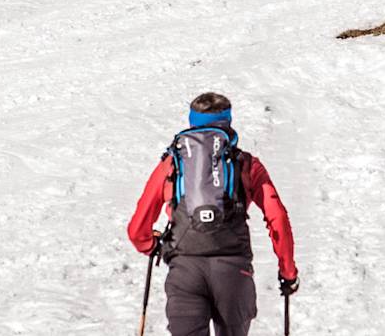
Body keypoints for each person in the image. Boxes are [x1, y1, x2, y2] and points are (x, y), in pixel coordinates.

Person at [128, 92, 299, 336]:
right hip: (234, 273)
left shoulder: (172, 164)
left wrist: (151, 244)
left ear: (191, 123)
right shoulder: (247, 165)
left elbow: (136, 230)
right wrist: (288, 272)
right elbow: (278, 218)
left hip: (185, 272)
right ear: (228, 122)